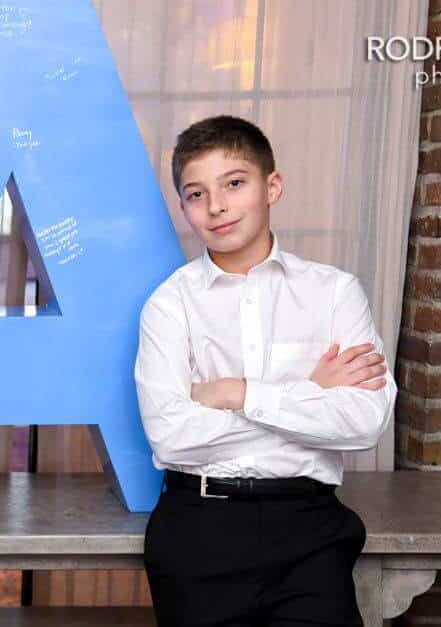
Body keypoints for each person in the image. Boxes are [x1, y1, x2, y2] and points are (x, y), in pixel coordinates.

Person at [135, 115, 397, 626]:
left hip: (310, 528)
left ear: (271, 186)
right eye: (195, 193)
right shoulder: (170, 305)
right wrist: (309, 398)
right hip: (198, 530)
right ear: (183, 206)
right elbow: (171, 439)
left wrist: (237, 392)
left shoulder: (334, 292)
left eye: (234, 183)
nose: (216, 206)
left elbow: (365, 423)